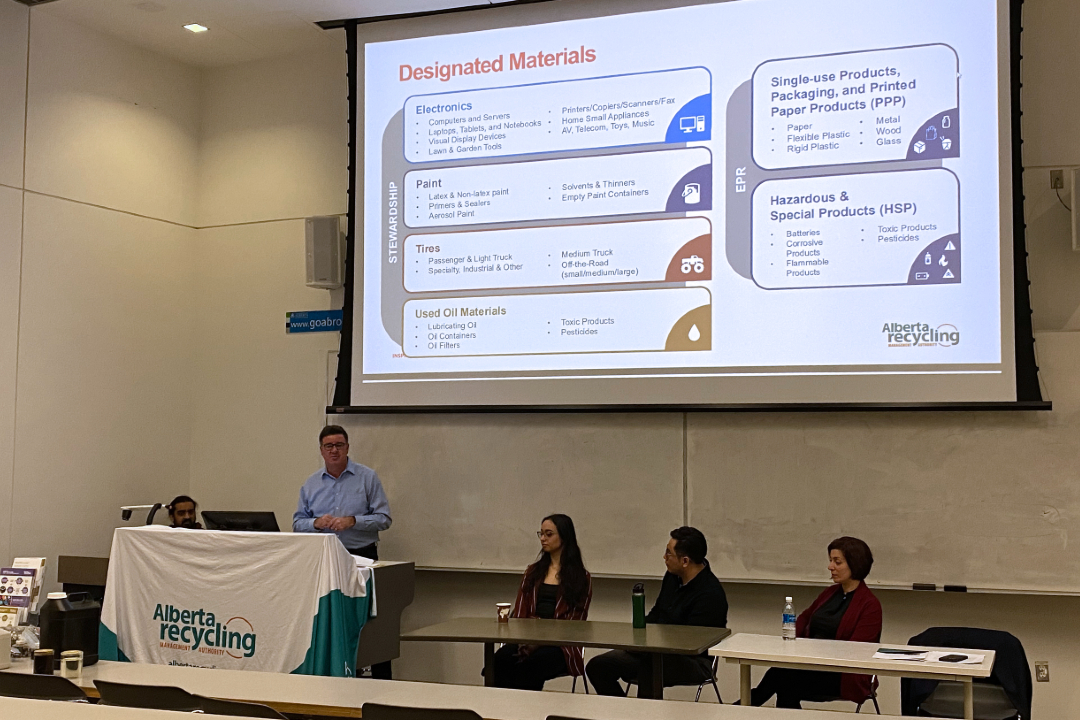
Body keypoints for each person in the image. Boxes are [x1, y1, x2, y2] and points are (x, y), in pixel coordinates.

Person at [587, 527, 728, 697]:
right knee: (598, 666)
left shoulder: (710, 593)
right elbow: (658, 613)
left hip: (694, 660)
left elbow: (691, 641)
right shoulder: (672, 577)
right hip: (656, 651)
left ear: (685, 561)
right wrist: (637, 636)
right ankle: (627, 713)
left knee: (651, 666)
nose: (664, 557)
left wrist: (650, 646)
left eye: (669, 553)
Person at [750, 536, 882, 709]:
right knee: (782, 676)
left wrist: (814, 652)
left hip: (843, 675)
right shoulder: (830, 593)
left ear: (854, 563)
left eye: (837, 562)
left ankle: (739, 708)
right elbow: (804, 619)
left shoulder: (870, 605)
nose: (830, 567)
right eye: (830, 561)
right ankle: (741, 708)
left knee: (783, 679)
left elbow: (855, 650)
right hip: (813, 666)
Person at [490, 514, 592, 691]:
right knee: (501, 659)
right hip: (527, 638)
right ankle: (499, 713)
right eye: (541, 534)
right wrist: (529, 639)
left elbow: (575, 624)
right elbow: (521, 613)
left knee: (532, 664)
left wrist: (542, 639)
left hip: (561, 646)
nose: (543, 539)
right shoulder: (533, 571)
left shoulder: (581, 578)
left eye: (549, 534)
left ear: (564, 536)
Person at [293, 425, 392, 560]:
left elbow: (383, 519)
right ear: (321, 450)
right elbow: (297, 524)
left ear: (347, 448)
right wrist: (316, 523)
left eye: (339, 445)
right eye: (328, 446)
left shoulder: (368, 477)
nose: (334, 450)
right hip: (322, 554)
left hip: (361, 553)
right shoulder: (311, 483)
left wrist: (353, 521)